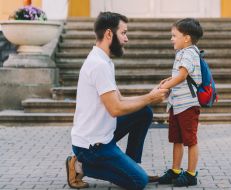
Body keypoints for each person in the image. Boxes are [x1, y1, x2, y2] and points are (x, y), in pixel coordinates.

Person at [65, 12, 169, 190]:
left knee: (144, 112)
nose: (126, 39)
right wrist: (150, 98)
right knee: (138, 182)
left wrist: (149, 97)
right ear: (108, 34)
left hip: (103, 133)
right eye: (123, 33)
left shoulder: (105, 61)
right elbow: (116, 109)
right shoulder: (98, 65)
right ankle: (79, 165)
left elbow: (119, 99)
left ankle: (132, 164)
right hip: (92, 146)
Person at [158, 18, 203, 187]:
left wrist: (164, 88)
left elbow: (183, 76)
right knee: (176, 139)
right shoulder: (182, 53)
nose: (171, 39)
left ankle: (191, 175)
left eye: (174, 35)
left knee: (190, 140)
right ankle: (175, 170)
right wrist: (168, 80)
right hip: (177, 104)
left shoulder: (190, 52)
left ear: (187, 38)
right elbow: (181, 75)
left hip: (188, 105)